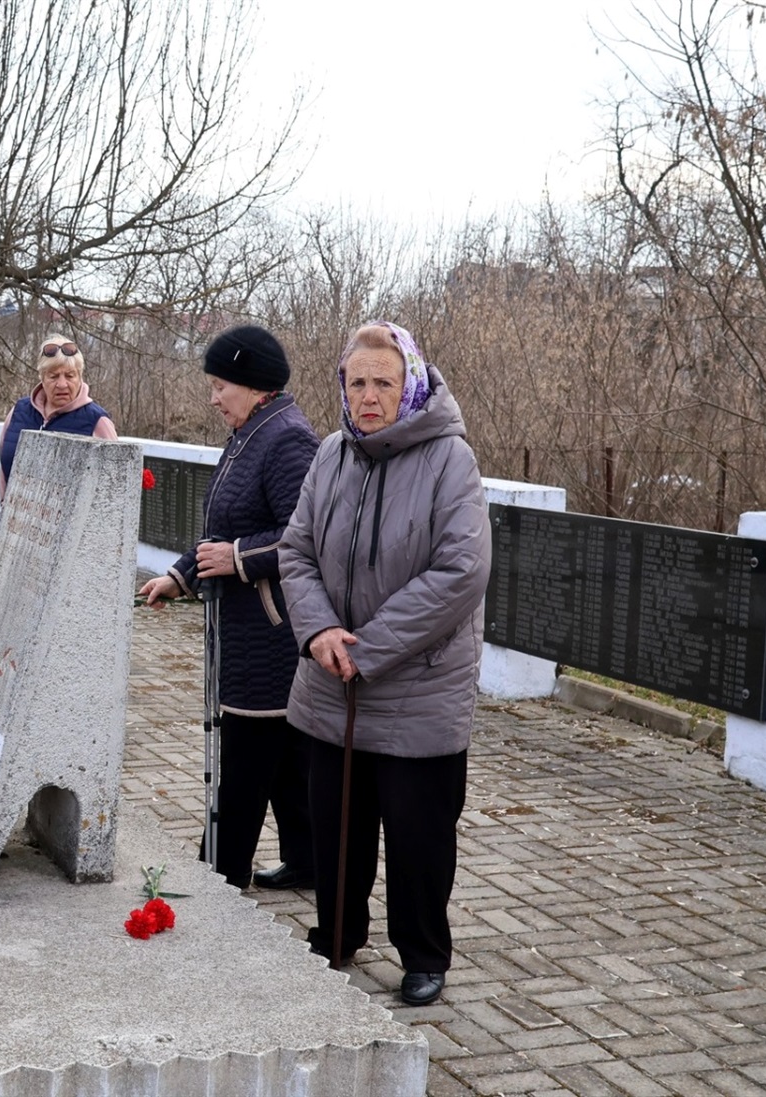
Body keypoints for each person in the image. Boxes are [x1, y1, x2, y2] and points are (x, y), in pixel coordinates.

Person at [278, 321, 489, 1008]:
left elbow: (461, 571)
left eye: (384, 383)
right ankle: (337, 933)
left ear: (411, 384)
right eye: (357, 382)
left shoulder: (449, 459)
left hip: (417, 691)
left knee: (418, 837)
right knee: (337, 825)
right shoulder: (333, 453)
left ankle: (424, 952)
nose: (369, 396)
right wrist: (318, 634)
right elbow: (296, 550)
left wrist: (364, 646)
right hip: (330, 684)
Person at [138, 325, 320, 892]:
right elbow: (222, 527)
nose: (214, 397)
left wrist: (239, 558)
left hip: (271, 633)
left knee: (244, 761)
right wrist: (178, 574)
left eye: (221, 385)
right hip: (242, 627)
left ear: (254, 384)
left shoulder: (287, 439)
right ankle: (307, 861)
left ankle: (219, 878)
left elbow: (303, 537)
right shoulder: (248, 433)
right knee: (286, 757)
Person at [0, 334, 118, 484]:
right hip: (15, 507)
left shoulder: (97, 421)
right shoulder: (19, 411)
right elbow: (4, 468)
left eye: (69, 376)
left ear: (80, 377)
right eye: (53, 376)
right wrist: (4, 504)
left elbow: (114, 485)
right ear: (42, 377)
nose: (62, 384)